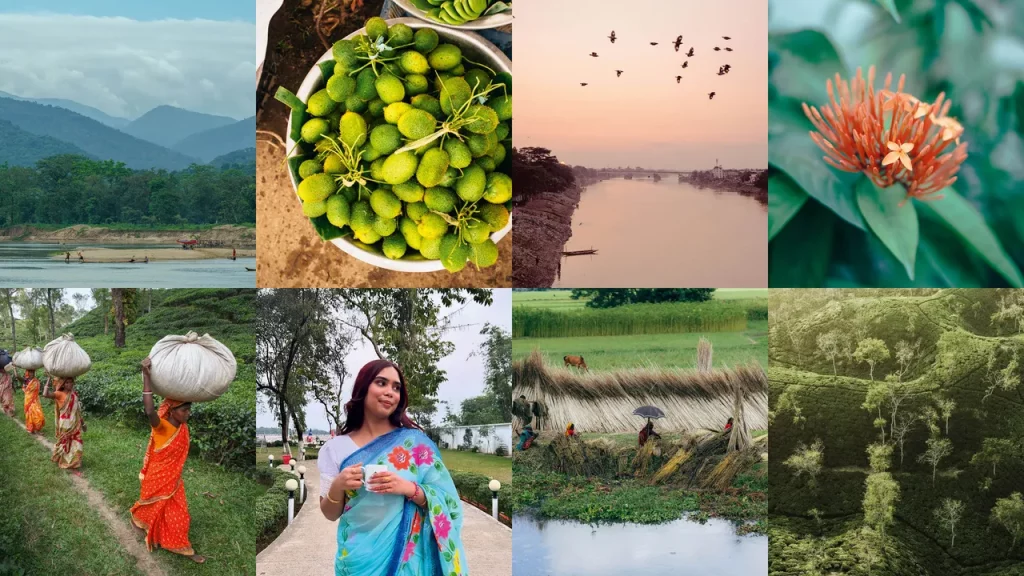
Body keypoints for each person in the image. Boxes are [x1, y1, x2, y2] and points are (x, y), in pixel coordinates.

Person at [318, 360, 467, 576]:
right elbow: (329, 514)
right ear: (363, 387)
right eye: (381, 383)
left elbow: (449, 501)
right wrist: (337, 486)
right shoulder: (335, 448)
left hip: (409, 560)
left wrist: (409, 488)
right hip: (356, 558)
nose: (390, 392)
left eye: (396, 387)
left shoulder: (415, 444)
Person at [130, 357, 205, 564]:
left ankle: (178, 544)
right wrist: (146, 376)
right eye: (184, 410)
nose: (188, 414)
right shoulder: (161, 426)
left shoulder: (182, 428)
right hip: (158, 477)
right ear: (172, 410)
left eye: (189, 409)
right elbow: (149, 410)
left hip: (173, 480)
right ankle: (139, 521)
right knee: (153, 506)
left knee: (180, 515)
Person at [40, 376, 84, 471]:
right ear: (63, 384)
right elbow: (45, 394)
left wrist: (83, 423)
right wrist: (48, 380)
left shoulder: (74, 394)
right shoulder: (59, 394)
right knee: (65, 442)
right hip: (65, 423)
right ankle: (63, 459)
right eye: (67, 382)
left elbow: (77, 411)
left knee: (77, 442)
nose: (69, 384)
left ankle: (74, 461)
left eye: (71, 382)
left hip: (75, 423)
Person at [13, 367, 45, 433]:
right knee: (30, 414)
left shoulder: (36, 381)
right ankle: (32, 428)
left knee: (38, 414)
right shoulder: (26, 380)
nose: (32, 373)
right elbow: (17, 376)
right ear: (28, 373)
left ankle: (37, 428)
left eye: (33, 372)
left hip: (35, 400)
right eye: (30, 372)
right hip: (28, 400)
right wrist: (14, 368)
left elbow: (39, 390)